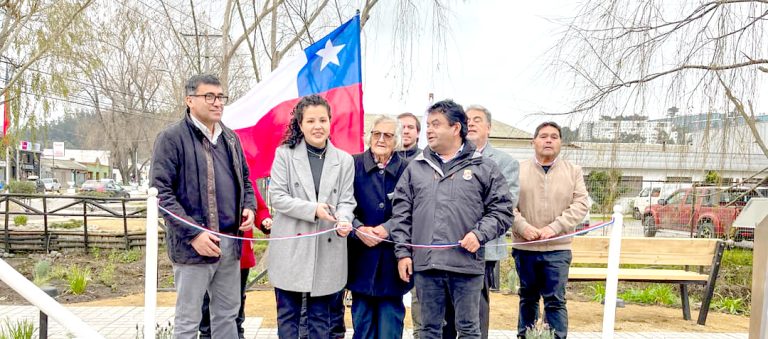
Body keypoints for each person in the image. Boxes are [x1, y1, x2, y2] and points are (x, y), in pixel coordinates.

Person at [391, 99, 515, 339]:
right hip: (426, 266)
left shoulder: (483, 167)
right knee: (428, 330)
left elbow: (502, 210)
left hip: (466, 266)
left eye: (436, 124)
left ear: (456, 128)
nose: (429, 130)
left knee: (469, 330)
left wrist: (479, 234)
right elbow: (401, 214)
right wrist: (403, 253)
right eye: (428, 124)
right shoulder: (416, 168)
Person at [151, 74, 256, 338]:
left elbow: (246, 180)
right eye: (209, 96)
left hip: (229, 245)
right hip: (192, 248)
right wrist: (194, 234)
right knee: (188, 321)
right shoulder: (171, 138)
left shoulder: (231, 139)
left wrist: (249, 207)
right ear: (189, 100)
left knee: (227, 317)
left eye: (221, 97)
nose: (217, 103)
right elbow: (160, 194)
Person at [268, 94, 356, 338]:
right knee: (289, 319)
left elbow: (347, 200)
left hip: (328, 249)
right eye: (310, 121)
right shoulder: (284, 155)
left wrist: (344, 219)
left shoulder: (345, 160)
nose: (318, 126)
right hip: (291, 248)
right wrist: (314, 210)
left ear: (330, 122)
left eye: (323, 120)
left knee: (322, 320)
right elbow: (278, 197)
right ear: (300, 124)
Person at [442, 105, 520, 339]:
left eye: (478, 120)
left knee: (475, 314)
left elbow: (504, 205)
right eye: (468, 119)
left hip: (481, 251)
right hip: (447, 248)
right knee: (446, 313)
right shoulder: (448, 157)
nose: (472, 123)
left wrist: (475, 231)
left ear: (489, 127)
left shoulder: (505, 162)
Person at [512, 121, 589, 339]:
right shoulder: (517, 170)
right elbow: (506, 205)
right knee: (527, 297)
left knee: (555, 300)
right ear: (533, 141)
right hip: (525, 247)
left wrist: (554, 228)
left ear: (561, 143)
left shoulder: (573, 171)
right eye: (543, 136)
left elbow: (580, 205)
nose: (548, 140)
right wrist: (523, 227)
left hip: (558, 248)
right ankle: (524, 336)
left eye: (554, 137)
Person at [348, 116, 413, 339]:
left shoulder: (408, 169)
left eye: (388, 135)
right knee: (362, 327)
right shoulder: (353, 164)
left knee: (390, 330)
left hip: (392, 263)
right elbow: (343, 204)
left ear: (396, 140)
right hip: (360, 259)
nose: (381, 139)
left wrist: (388, 228)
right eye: (377, 134)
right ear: (369, 136)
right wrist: (358, 229)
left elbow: (414, 209)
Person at [199, 189, 272, 339]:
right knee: (207, 301)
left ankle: (238, 333)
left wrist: (264, 220)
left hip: (239, 251)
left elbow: (259, 207)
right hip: (209, 248)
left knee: (237, 300)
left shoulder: (246, 177)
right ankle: (207, 334)